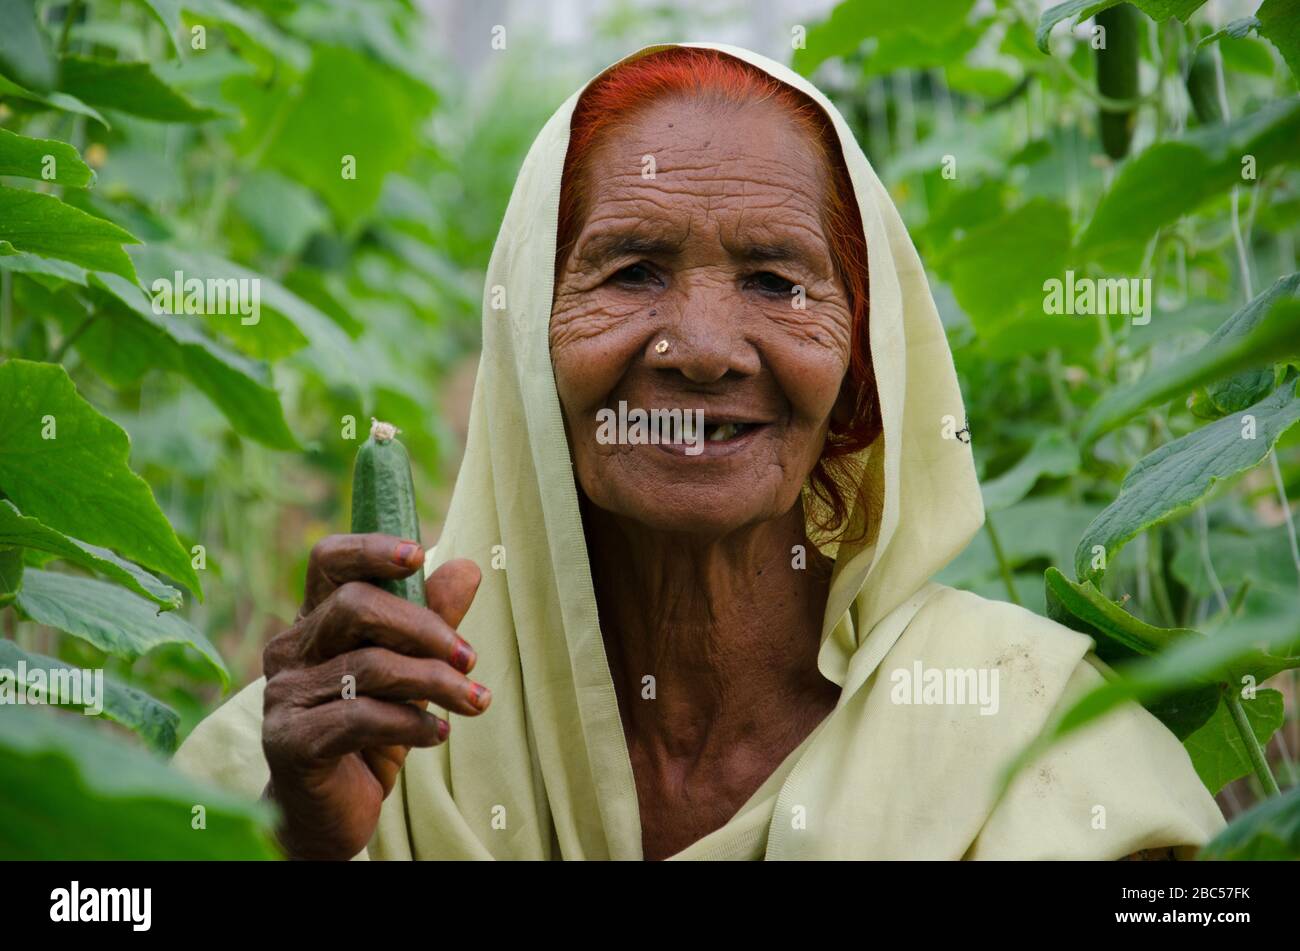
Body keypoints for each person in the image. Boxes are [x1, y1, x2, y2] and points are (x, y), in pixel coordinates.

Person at [174, 43, 1224, 860]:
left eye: (776, 282)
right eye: (630, 270)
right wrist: (296, 845)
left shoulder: (1031, 732)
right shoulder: (330, 745)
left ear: (862, 366)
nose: (704, 351)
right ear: (524, 339)